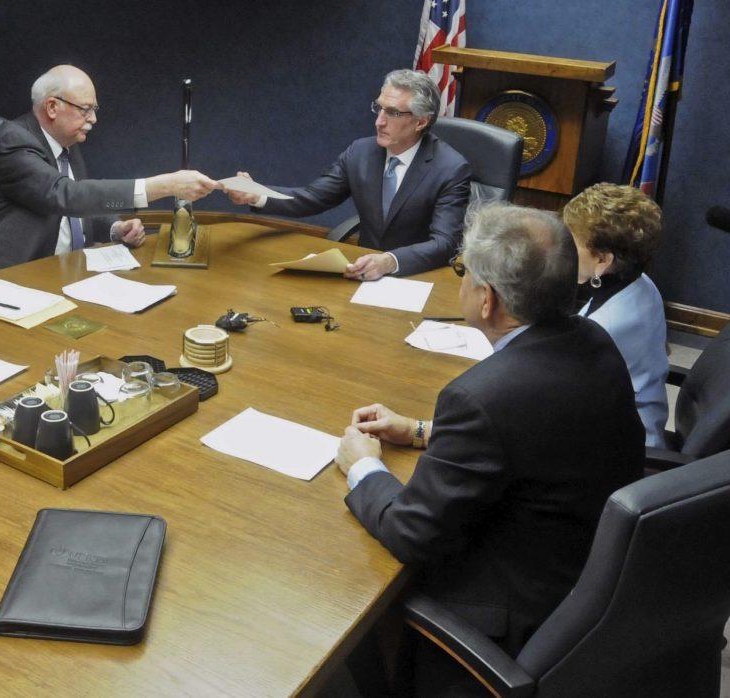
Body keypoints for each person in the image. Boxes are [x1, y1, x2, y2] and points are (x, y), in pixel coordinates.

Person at [333, 203, 644, 692]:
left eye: (464, 272)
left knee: (343, 585)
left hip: (506, 615)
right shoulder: (593, 341)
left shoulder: (482, 396)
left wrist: (364, 469)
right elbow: (534, 432)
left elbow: (410, 531)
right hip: (581, 577)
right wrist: (417, 430)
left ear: (487, 300)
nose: (461, 281)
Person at [0, 64, 220, 273]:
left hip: (64, 270)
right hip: (7, 275)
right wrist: (164, 186)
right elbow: (64, 196)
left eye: (94, 110)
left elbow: (76, 208)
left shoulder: (66, 141)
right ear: (52, 107)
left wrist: (114, 228)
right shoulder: (13, 141)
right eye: (85, 110)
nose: (93, 119)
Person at [224, 69, 470, 279]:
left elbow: (444, 244)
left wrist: (389, 261)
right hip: (362, 273)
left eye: (393, 113)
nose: (379, 122)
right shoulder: (360, 153)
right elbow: (313, 197)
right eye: (379, 109)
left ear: (420, 122)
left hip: (419, 277)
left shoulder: (450, 169)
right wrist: (255, 195)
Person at [563, 183, 669, 447]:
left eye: (572, 243)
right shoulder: (641, 282)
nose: (565, 250)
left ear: (603, 261)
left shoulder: (606, 327)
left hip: (621, 448)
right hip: (623, 420)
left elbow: (559, 392)